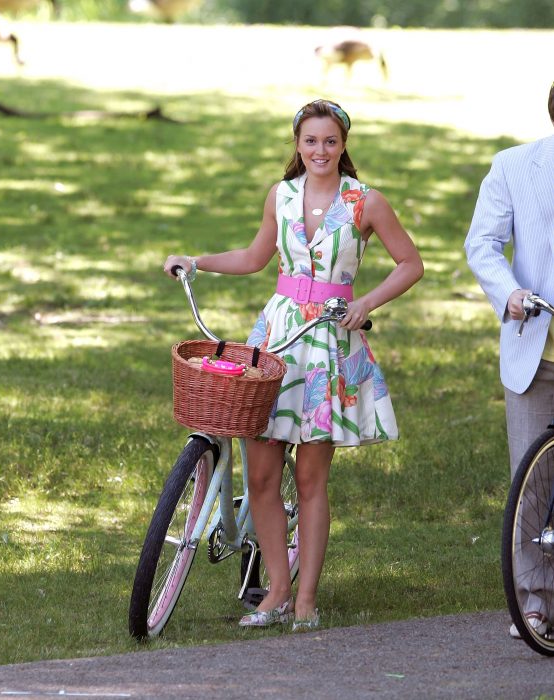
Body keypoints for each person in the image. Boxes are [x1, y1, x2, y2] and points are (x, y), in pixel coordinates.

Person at [164, 99, 423, 630]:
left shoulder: (365, 202)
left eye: (330, 141)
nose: (320, 151)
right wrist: (198, 262)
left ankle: (305, 599)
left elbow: (411, 263)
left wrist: (365, 303)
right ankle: (274, 591)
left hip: (329, 338)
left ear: (344, 144)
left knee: (310, 477)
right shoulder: (280, 196)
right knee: (261, 472)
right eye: (310, 141)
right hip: (279, 335)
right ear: (297, 144)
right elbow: (256, 257)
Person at [465, 82, 554, 639]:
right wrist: (509, 292)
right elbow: (482, 243)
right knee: (533, 480)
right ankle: (536, 602)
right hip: (536, 343)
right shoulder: (515, 166)